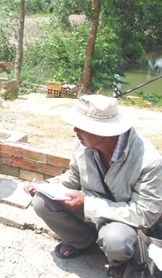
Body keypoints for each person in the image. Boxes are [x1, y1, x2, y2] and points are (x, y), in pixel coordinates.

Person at [24, 95, 162, 278]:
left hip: (124, 221)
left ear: (104, 131)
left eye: (81, 127)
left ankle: (120, 260)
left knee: (116, 241)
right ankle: (83, 241)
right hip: (91, 209)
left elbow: (145, 213)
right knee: (42, 202)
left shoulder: (148, 160)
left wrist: (87, 204)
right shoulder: (83, 145)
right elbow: (74, 176)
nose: (75, 130)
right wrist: (48, 184)